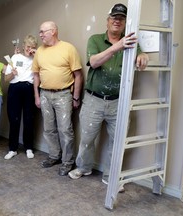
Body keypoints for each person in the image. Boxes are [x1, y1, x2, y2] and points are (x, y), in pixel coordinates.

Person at [68, 3, 149, 183]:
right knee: (87, 138)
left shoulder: (132, 41)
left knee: (117, 142)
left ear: (125, 22)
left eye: (121, 18)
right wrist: (117, 46)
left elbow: (141, 55)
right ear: (107, 21)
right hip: (93, 99)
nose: (117, 21)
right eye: (114, 17)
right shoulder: (95, 40)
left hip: (118, 101)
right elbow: (94, 62)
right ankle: (83, 167)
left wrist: (143, 56)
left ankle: (110, 176)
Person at [32, 21, 83, 176]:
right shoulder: (40, 51)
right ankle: (54, 156)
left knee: (65, 130)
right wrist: (36, 95)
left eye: (43, 32)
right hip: (44, 94)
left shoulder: (68, 48)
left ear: (53, 31)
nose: (40, 35)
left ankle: (68, 162)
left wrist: (75, 97)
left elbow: (78, 75)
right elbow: (36, 75)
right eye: (40, 32)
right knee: (49, 129)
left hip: (63, 94)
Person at [4, 35, 38, 160]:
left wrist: (36, 56)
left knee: (29, 119)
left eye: (33, 47)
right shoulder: (15, 57)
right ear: (23, 46)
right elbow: (6, 79)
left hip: (29, 88)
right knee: (14, 119)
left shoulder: (37, 58)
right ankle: (12, 149)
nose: (29, 49)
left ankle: (29, 147)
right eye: (28, 47)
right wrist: (12, 74)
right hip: (15, 89)